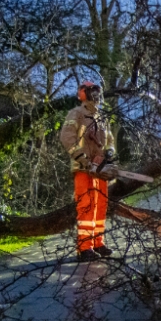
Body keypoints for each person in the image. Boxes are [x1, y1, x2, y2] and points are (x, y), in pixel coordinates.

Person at [59, 81, 118, 262]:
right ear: (84, 94)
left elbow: (109, 141)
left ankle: (98, 242)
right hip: (83, 168)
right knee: (86, 206)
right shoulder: (76, 113)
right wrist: (81, 158)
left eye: (97, 92)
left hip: (100, 169)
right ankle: (85, 247)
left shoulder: (102, 117)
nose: (95, 96)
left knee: (100, 206)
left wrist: (109, 154)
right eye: (92, 92)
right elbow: (66, 137)